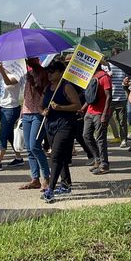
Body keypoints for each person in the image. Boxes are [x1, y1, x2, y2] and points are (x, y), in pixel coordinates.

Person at [40, 61, 81, 203]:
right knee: (61, 156)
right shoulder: (48, 88)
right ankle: (66, 184)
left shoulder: (66, 87)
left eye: (52, 71)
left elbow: (77, 105)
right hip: (50, 126)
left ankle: (50, 189)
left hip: (66, 125)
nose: (49, 74)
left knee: (55, 156)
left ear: (61, 72)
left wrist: (60, 107)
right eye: (48, 71)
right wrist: (43, 111)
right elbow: (41, 105)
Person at [18, 58, 51, 188]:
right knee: (29, 148)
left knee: (35, 145)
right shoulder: (27, 73)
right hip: (26, 112)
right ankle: (35, 178)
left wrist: (34, 84)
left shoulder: (43, 73)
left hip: (38, 112)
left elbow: (45, 93)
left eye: (30, 57)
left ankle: (47, 178)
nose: (27, 60)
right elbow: (26, 95)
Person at [82, 64, 112, 175]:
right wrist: (83, 109)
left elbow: (109, 96)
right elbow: (90, 96)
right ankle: (98, 159)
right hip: (90, 111)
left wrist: (104, 114)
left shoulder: (105, 77)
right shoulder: (91, 77)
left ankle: (104, 164)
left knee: (100, 139)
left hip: (100, 113)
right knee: (86, 135)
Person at [107, 48, 128, 148]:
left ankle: (124, 139)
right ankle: (103, 138)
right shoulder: (107, 66)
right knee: (105, 120)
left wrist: (127, 82)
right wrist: (107, 76)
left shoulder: (124, 67)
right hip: (109, 98)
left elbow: (128, 79)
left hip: (121, 98)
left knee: (122, 121)